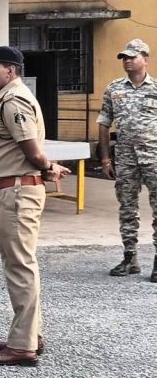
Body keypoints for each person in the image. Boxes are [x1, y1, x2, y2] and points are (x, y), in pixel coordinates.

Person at [0, 46, 69, 366]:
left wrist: (48, 166)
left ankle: (22, 346)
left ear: (11, 71)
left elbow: (31, 149)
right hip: (15, 189)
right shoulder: (10, 98)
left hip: (17, 191)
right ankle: (30, 334)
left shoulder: (14, 100)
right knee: (20, 264)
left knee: (20, 267)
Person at [97, 39, 157, 282]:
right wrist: (105, 159)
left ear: (145, 59)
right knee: (127, 208)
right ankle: (130, 258)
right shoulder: (114, 88)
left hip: (154, 157)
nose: (127, 61)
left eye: (133, 56)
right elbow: (104, 122)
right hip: (125, 159)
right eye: (124, 57)